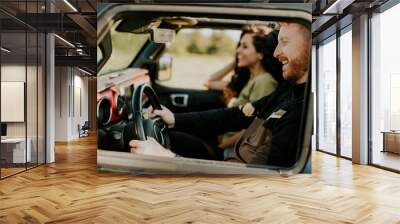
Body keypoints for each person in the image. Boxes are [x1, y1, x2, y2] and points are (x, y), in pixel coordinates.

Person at [130, 22, 311, 167]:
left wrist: (169, 158)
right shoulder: (287, 91)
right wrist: (175, 119)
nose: (275, 52)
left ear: (311, 45)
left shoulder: (299, 114)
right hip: (231, 162)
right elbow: (235, 115)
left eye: (285, 42)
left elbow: (250, 179)